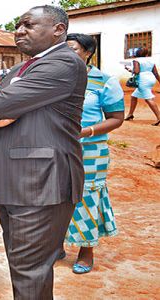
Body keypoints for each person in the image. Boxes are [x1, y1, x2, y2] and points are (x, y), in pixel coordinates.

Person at [0, 6, 87, 299]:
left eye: (28, 25)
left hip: (40, 183)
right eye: (17, 26)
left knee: (30, 271)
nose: (19, 31)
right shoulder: (23, 68)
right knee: (23, 267)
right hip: (16, 182)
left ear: (58, 29)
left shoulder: (64, 62)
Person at [63, 33, 124, 274]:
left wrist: (85, 131)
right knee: (57, 195)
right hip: (58, 148)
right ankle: (56, 244)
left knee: (86, 198)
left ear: (88, 53)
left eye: (74, 49)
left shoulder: (104, 81)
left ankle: (86, 252)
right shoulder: (55, 78)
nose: (68, 54)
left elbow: (116, 119)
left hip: (91, 150)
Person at [124, 47, 160, 125]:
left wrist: (130, 70)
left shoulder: (136, 60)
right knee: (133, 96)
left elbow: (137, 71)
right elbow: (156, 73)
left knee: (148, 99)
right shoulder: (151, 61)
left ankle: (159, 117)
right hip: (151, 79)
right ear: (147, 54)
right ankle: (130, 114)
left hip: (143, 81)